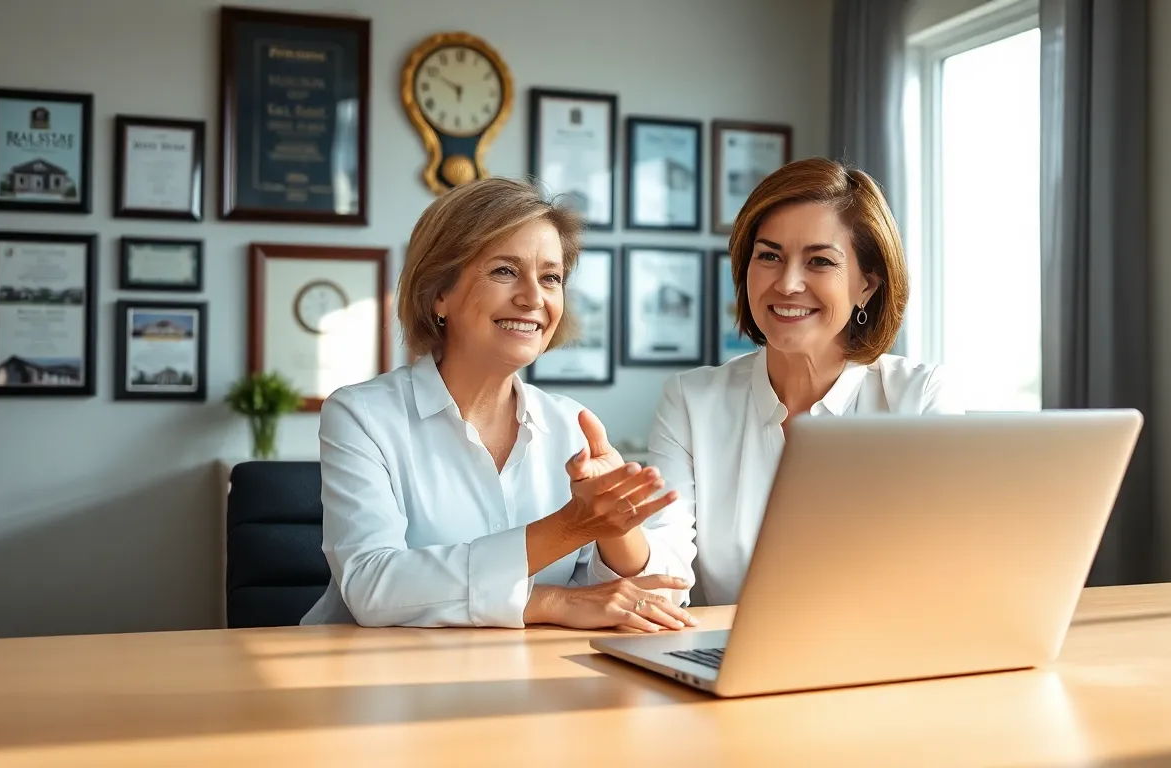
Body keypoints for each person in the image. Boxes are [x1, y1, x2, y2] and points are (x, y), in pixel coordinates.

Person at [301, 177, 697, 631]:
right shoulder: (361, 415)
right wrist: (561, 563)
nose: (534, 298)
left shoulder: (572, 424)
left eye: (550, 278)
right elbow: (374, 587)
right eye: (505, 271)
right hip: (374, 669)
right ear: (439, 293)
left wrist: (616, 525)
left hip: (534, 667)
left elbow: (654, 596)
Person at [642, 157, 963, 606]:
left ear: (867, 286)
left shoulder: (920, 399)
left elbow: (945, 570)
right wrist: (616, 528)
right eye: (769, 256)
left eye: (819, 261)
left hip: (883, 646)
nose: (789, 283)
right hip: (731, 647)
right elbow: (661, 574)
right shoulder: (691, 400)